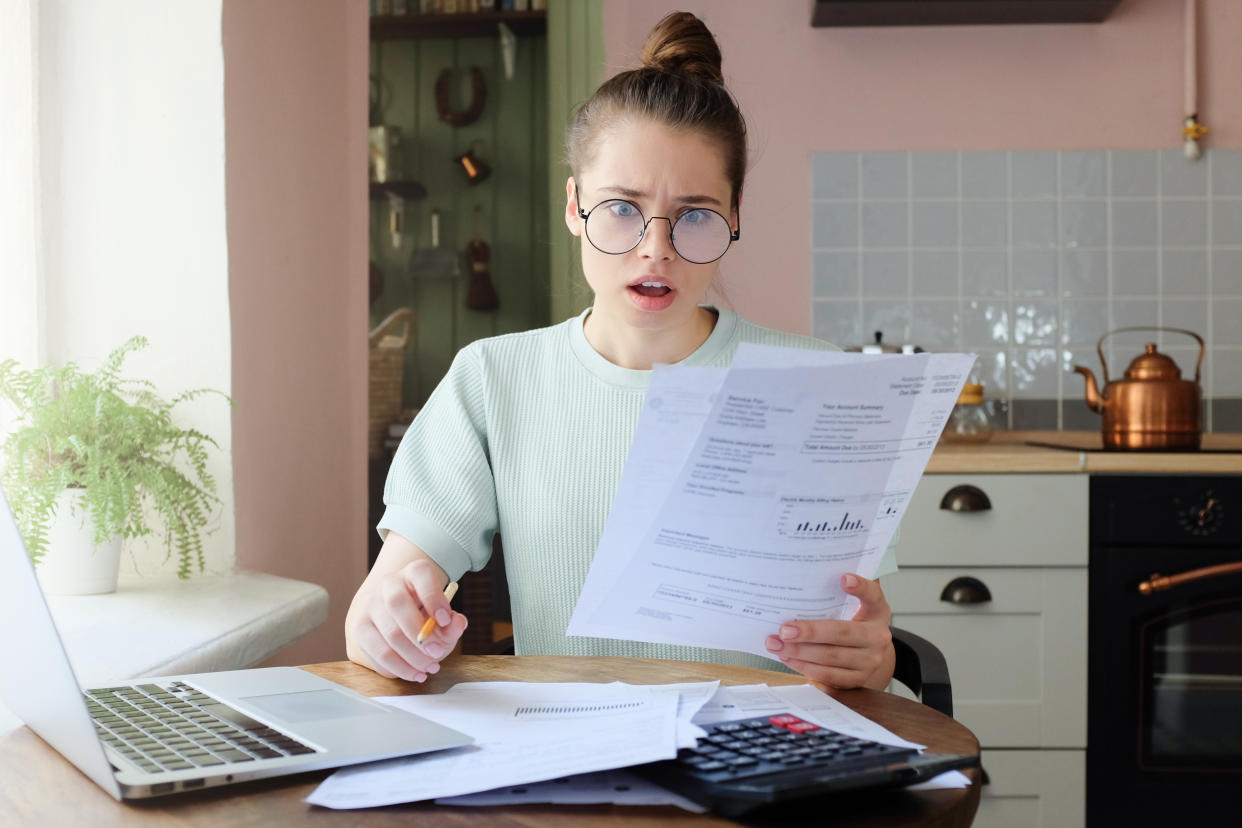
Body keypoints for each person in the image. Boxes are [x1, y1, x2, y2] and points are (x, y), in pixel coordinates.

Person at [345, 11, 897, 692]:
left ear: (736, 213)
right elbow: (388, 591)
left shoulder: (813, 384)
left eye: (695, 214)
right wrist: (388, 617)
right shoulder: (494, 379)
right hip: (573, 754)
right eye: (622, 207)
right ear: (574, 204)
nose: (655, 247)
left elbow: (868, 649)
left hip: (766, 757)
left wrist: (872, 657)